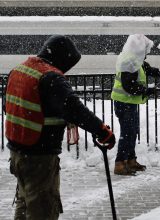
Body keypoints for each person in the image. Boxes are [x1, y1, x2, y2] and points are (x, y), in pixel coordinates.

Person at [5, 35, 116, 220]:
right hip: (39, 157)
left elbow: (11, 107)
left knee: (24, 205)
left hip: (18, 154)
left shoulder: (19, 70)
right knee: (43, 209)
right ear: (61, 57)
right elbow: (75, 109)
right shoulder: (49, 77)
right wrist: (102, 131)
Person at [111, 34, 160, 175]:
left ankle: (130, 160)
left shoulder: (135, 59)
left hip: (129, 102)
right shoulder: (129, 61)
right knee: (127, 133)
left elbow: (146, 69)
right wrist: (146, 91)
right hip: (124, 102)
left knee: (132, 132)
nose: (146, 54)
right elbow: (128, 85)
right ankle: (119, 163)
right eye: (145, 50)